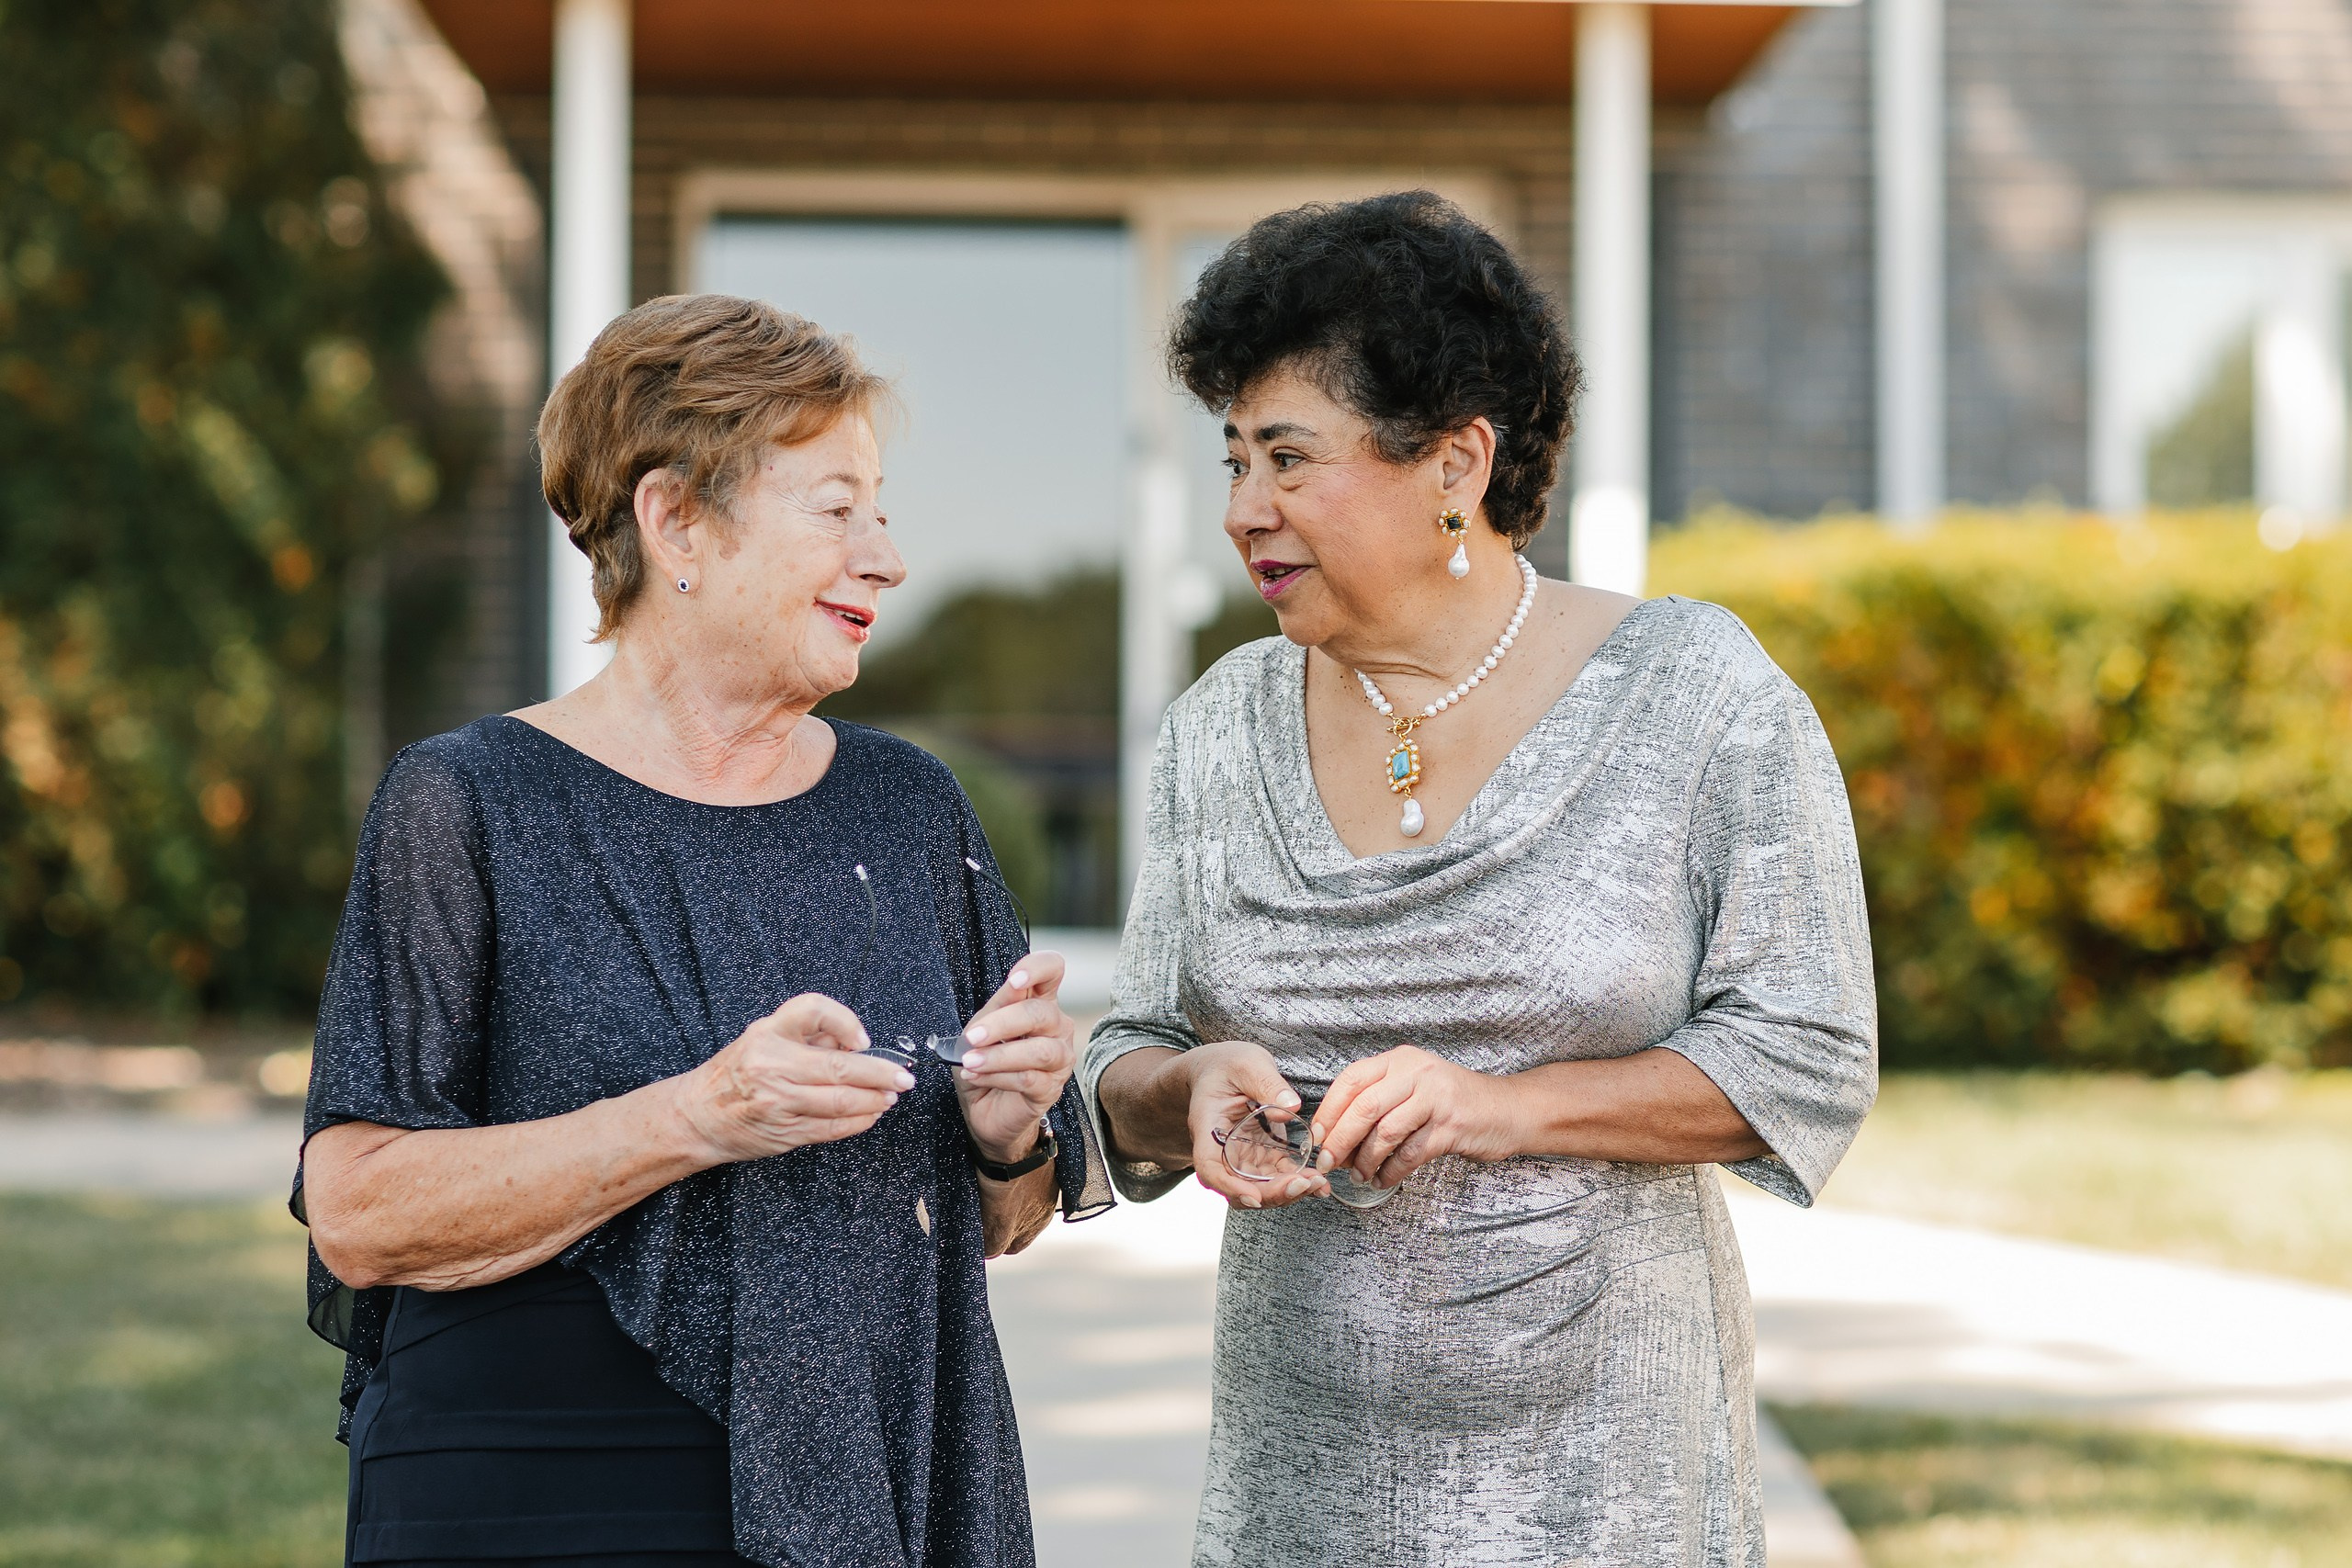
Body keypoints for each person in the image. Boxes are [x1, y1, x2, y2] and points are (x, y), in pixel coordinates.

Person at [1082, 191, 1877, 1568]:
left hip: (1605, 1492)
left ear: (1455, 461)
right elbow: (1131, 1048)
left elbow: (1805, 1053)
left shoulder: (1694, 697)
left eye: (1286, 457)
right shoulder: (1219, 726)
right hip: (1297, 1496)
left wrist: (1505, 1110)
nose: (1241, 511)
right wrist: (1183, 1090)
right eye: (1232, 461)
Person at [296, 293, 1112, 1568]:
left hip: (874, 1484)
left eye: (881, 511)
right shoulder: (468, 803)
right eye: (836, 510)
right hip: (539, 1494)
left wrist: (1007, 1134)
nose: (887, 558)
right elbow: (358, 1212)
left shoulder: (908, 807)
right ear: (672, 517)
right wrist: (698, 1117)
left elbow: (1002, 1221)